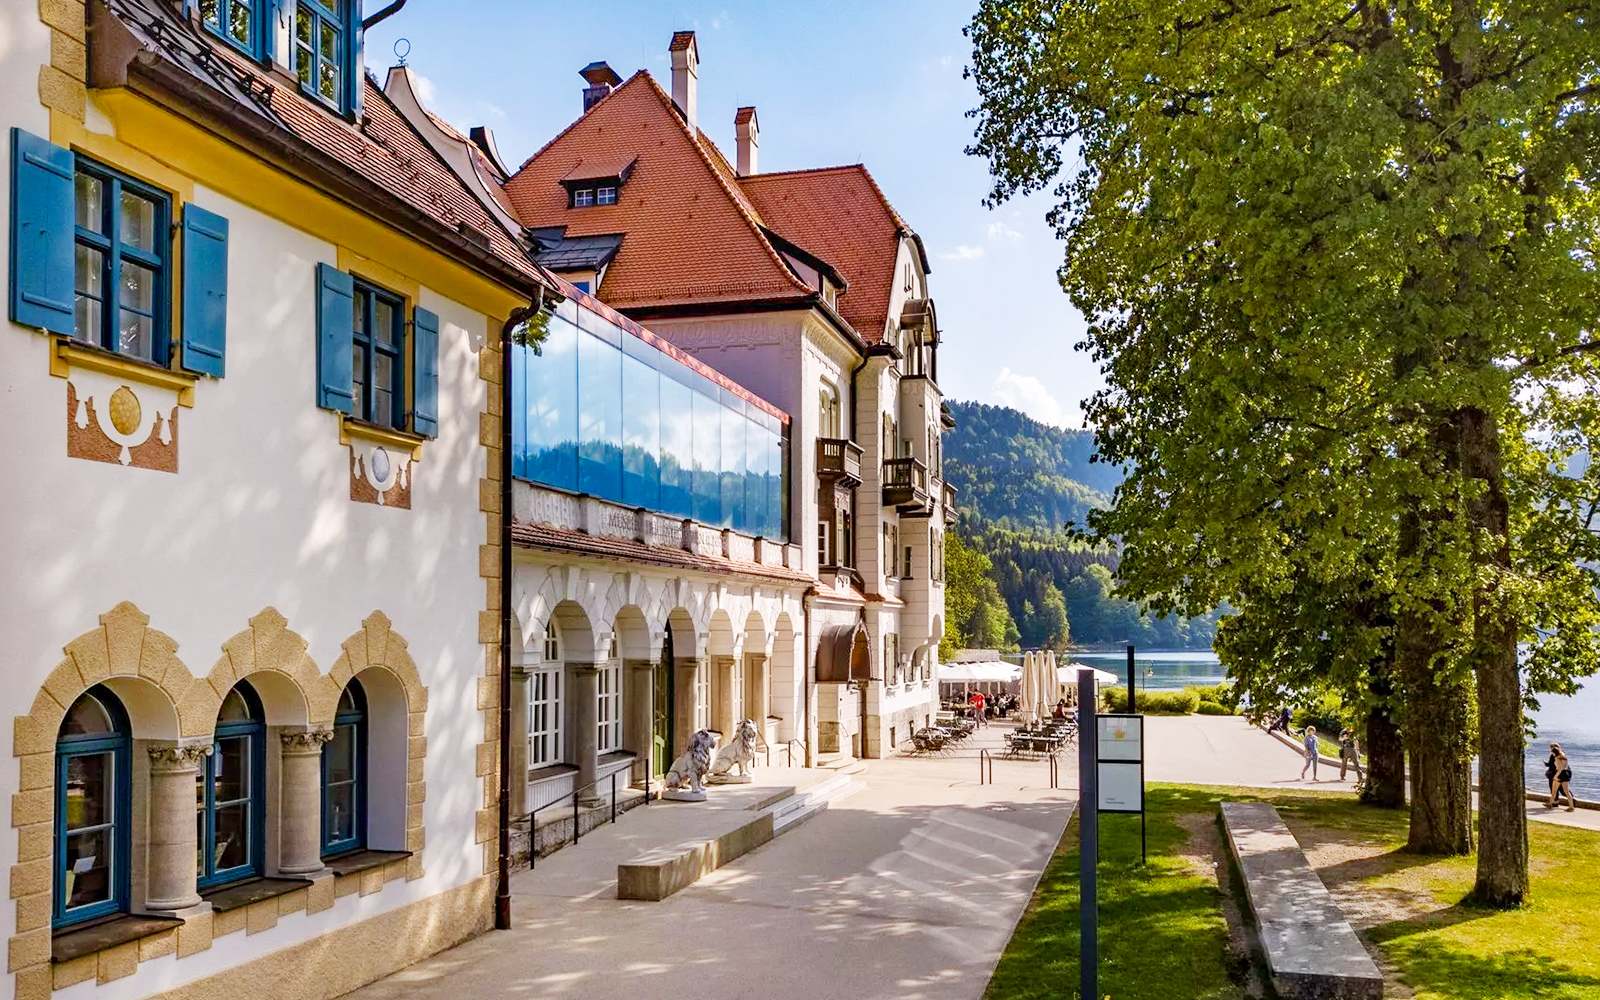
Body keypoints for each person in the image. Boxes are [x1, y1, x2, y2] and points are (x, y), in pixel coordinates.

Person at [1551, 744, 1576, 812]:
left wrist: (1555, 776)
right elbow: (1565, 767)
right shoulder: (1564, 758)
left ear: (1554, 753)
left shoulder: (1557, 758)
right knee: (1566, 791)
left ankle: (1551, 802)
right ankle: (1571, 806)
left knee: (1554, 790)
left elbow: (1560, 768)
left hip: (1560, 774)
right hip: (1565, 774)